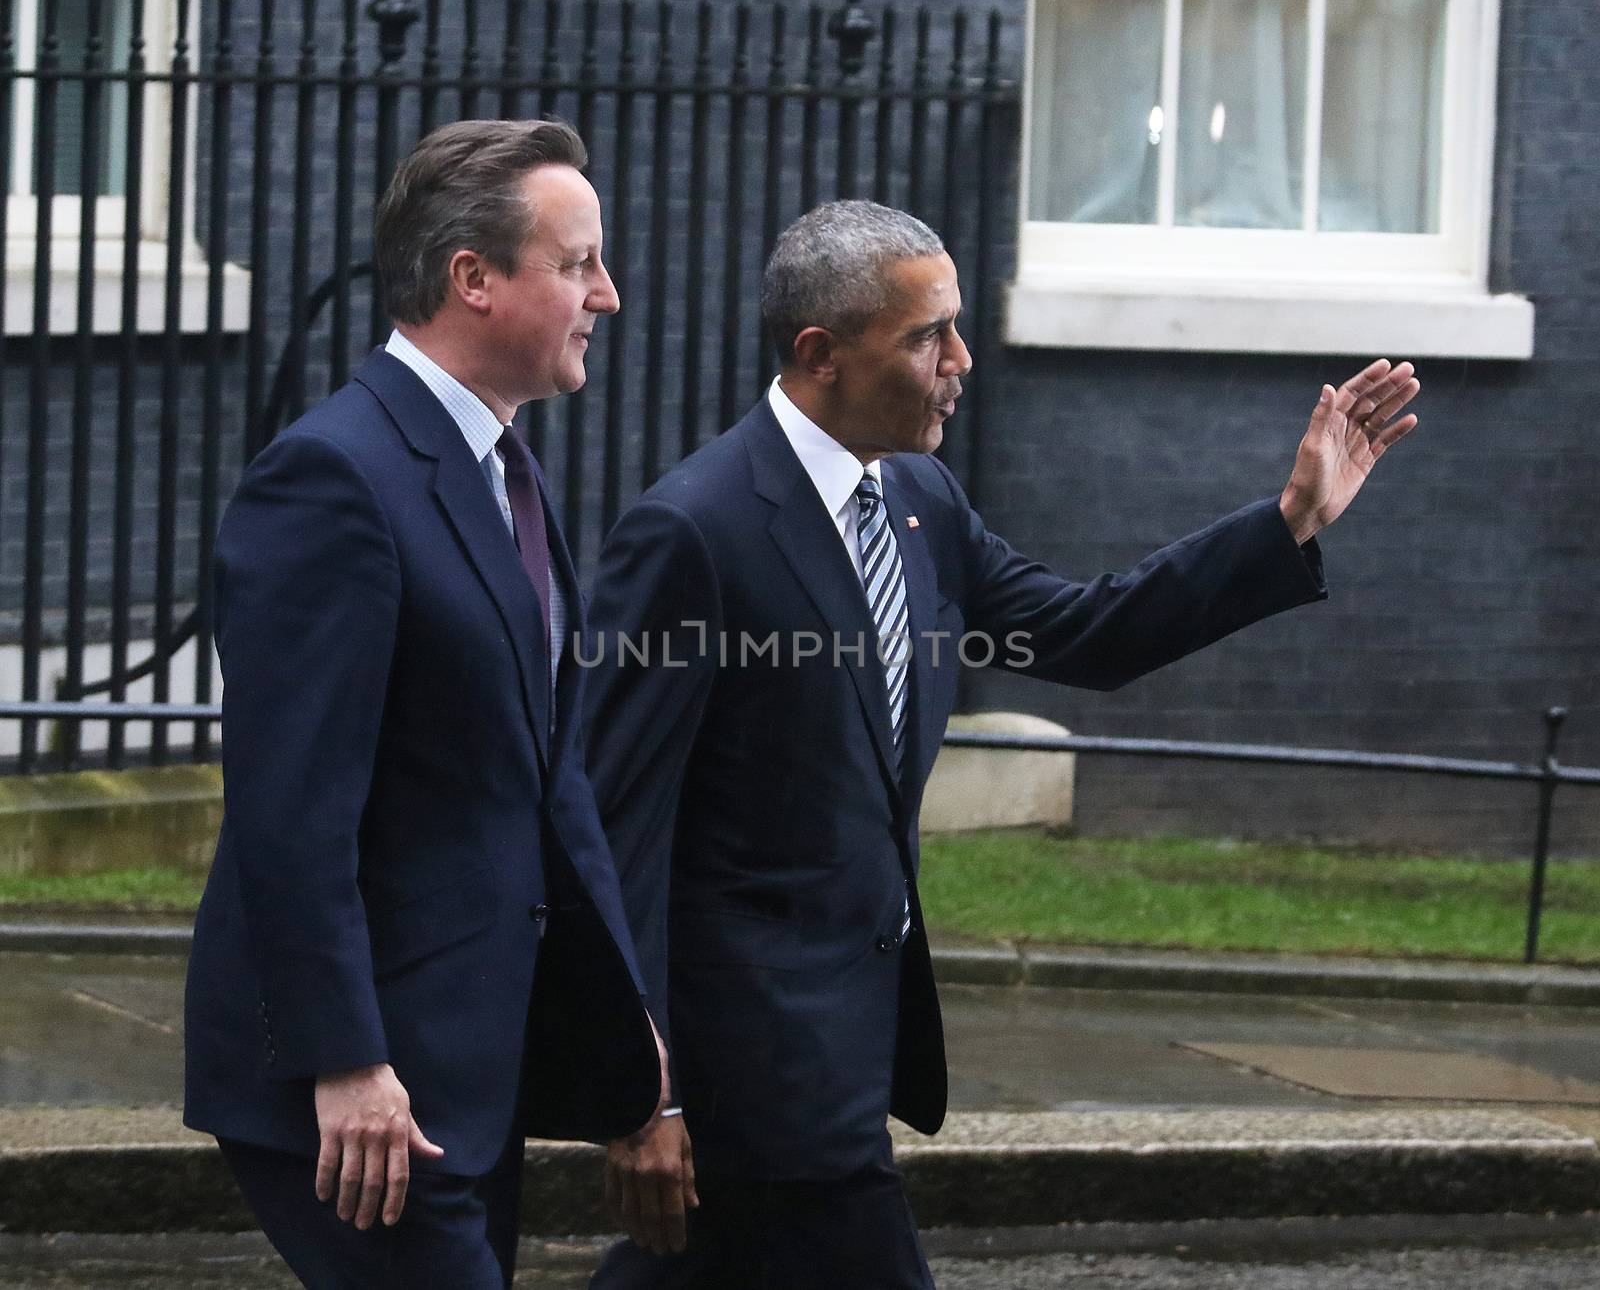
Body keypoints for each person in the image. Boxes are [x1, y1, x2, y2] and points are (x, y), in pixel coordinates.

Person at [581, 200, 1419, 1288]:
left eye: (958, 327)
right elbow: (615, 828)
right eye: (928, 336)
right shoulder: (693, 531)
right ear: (819, 354)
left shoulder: (920, 499)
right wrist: (645, 1092)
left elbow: (1085, 629)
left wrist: (1288, 520)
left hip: (849, 1035)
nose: (960, 361)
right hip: (754, 1058)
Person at [183, 119, 669, 1289]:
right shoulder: (333, 477)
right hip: (360, 1095)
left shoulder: (506, 465)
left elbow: (550, 774)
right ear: (474, 279)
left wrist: (634, 1030)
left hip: (467, 1072)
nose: (606, 292)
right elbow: (292, 804)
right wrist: (343, 1059)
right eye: (578, 262)